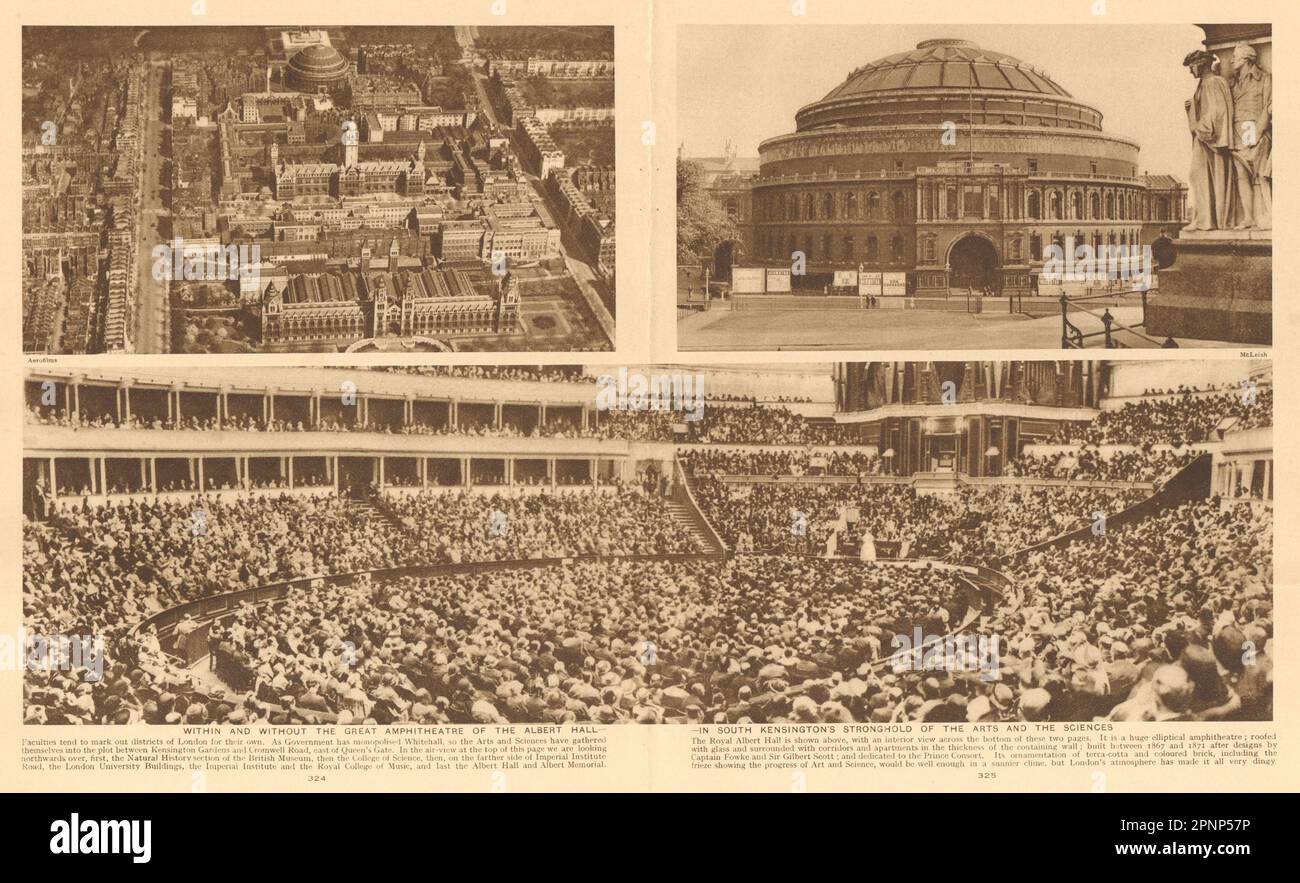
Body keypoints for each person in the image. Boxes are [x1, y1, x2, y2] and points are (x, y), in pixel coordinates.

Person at [1183, 49, 1235, 230]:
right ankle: (1204, 219)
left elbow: (1217, 113)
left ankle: (1206, 221)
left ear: (1201, 64)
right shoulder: (1204, 85)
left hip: (1209, 141)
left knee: (1200, 177)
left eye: (1192, 66)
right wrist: (1190, 110)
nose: (1190, 71)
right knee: (1198, 177)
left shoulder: (1214, 82)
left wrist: (1199, 127)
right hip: (1203, 140)